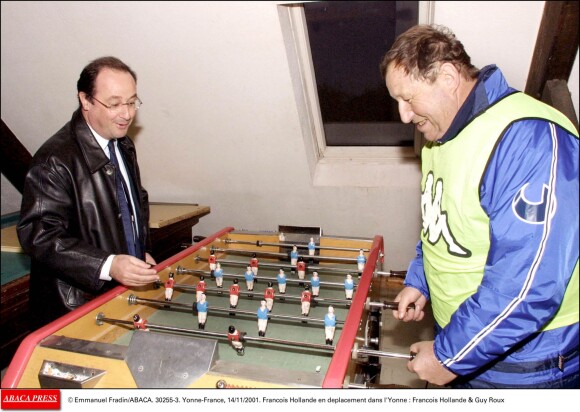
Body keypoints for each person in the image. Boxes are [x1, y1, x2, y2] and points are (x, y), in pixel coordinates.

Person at [381, 24, 579, 389]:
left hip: (525, 368)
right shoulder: (438, 139)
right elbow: (442, 228)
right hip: (468, 343)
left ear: (448, 76)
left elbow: (527, 285)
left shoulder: (529, 138)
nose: (404, 115)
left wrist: (449, 356)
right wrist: (421, 281)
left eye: (408, 99)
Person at [17, 56, 159, 330]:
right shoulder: (54, 160)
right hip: (75, 307)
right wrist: (108, 265)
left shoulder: (123, 144)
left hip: (117, 297)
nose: (127, 113)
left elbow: (134, 202)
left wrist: (139, 250)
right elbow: (40, 235)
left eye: (132, 102)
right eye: (115, 103)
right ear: (85, 100)